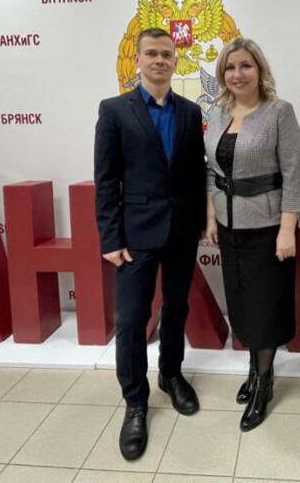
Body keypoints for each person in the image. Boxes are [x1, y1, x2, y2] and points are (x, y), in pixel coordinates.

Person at [94, 28, 207, 461]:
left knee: (176, 308)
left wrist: (200, 222)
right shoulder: (113, 110)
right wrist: (110, 237)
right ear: (138, 60)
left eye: (167, 54)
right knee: (132, 320)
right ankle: (135, 402)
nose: (160, 60)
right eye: (152, 54)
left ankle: (171, 375)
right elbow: (106, 179)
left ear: (176, 61)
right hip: (135, 235)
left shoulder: (189, 111)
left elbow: (194, 174)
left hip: (181, 231)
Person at [204, 37, 300, 432]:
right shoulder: (217, 112)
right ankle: (254, 368)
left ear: (259, 69)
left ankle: (264, 384)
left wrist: (287, 228)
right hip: (228, 225)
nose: (238, 74)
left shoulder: (279, 112)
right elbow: (211, 171)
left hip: (267, 228)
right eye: (230, 67)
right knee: (243, 305)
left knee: (265, 308)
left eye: (245, 65)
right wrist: (211, 217)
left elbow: (294, 172)